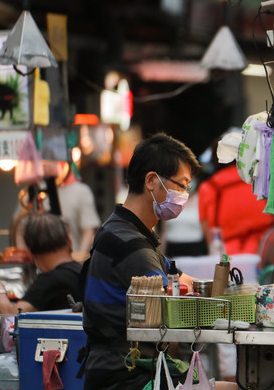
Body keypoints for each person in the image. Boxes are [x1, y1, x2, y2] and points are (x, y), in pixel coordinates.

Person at [81, 133, 199, 390]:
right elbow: (170, 310)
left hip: (122, 369)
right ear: (151, 181)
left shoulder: (125, 230)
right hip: (126, 375)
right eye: (182, 185)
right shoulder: (131, 245)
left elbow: (178, 277)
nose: (184, 194)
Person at [0, 212, 81, 314]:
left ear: (30, 252)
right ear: (69, 242)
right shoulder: (84, 271)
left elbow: (12, 316)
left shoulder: (50, 280)